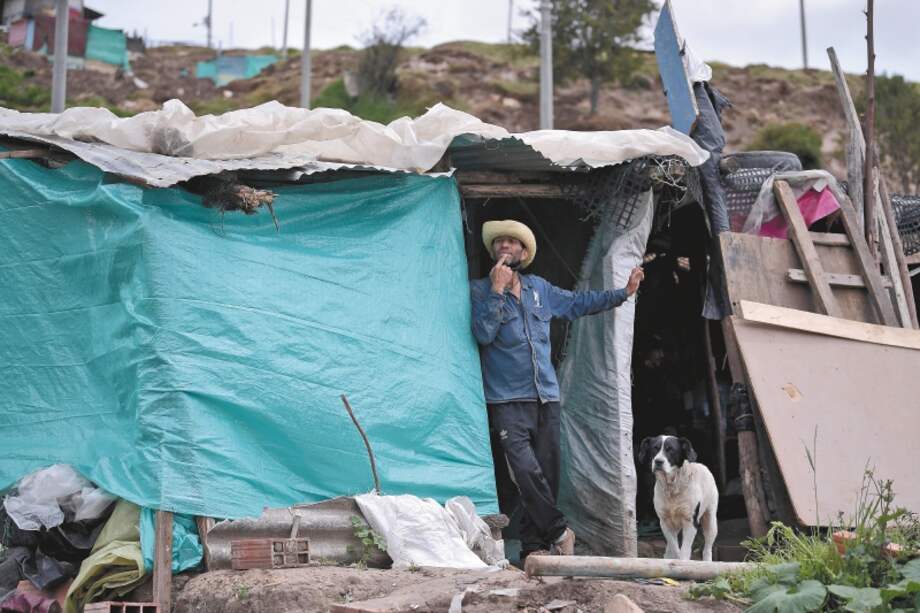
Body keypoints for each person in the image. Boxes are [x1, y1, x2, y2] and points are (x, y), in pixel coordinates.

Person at [470, 219, 644, 559]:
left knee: (546, 476)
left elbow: (579, 303)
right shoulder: (479, 290)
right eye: (499, 243)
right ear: (493, 252)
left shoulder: (540, 290)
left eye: (512, 242)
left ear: (524, 253)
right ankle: (560, 531)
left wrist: (622, 294)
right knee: (524, 470)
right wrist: (496, 291)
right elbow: (482, 334)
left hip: (546, 397)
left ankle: (534, 549)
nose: (505, 247)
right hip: (507, 399)